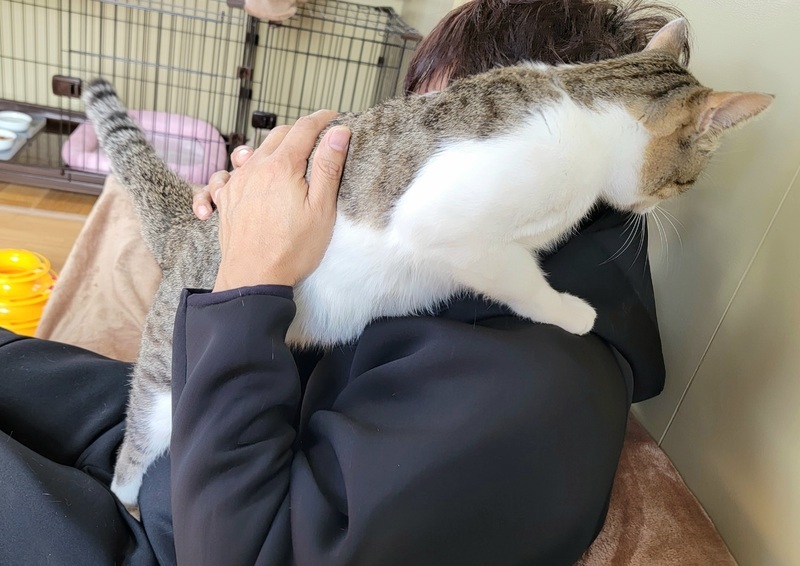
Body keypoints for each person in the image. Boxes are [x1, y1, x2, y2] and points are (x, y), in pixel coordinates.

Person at [1, 1, 681, 564]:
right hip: (221, 438)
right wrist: (257, 228)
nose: (383, 139)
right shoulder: (472, 254)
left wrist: (250, 280)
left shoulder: (526, 386)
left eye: (424, 119)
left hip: (184, 533)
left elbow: (241, 546)